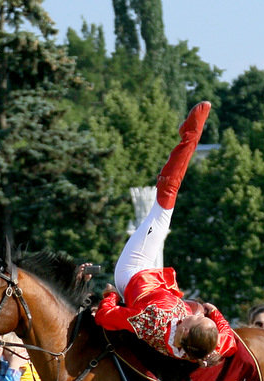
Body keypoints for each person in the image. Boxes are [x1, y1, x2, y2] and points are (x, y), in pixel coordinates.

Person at [95, 102, 236, 366]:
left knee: (164, 206)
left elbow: (106, 317)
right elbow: (229, 339)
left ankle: (189, 138)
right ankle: (188, 139)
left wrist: (110, 295)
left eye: (194, 318)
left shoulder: (151, 322)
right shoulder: (205, 343)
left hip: (133, 274)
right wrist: (213, 313)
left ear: (183, 331)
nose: (196, 313)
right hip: (157, 286)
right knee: (163, 211)